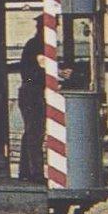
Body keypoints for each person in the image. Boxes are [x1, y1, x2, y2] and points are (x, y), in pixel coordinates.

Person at [18, 15, 71, 182]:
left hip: (31, 92)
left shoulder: (37, 45)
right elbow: (42, 70)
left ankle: (26, 172)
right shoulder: (37, 46)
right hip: (32, 93)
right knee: (35, 134)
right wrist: (60, 74)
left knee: (31, 133)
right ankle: (36, 174)